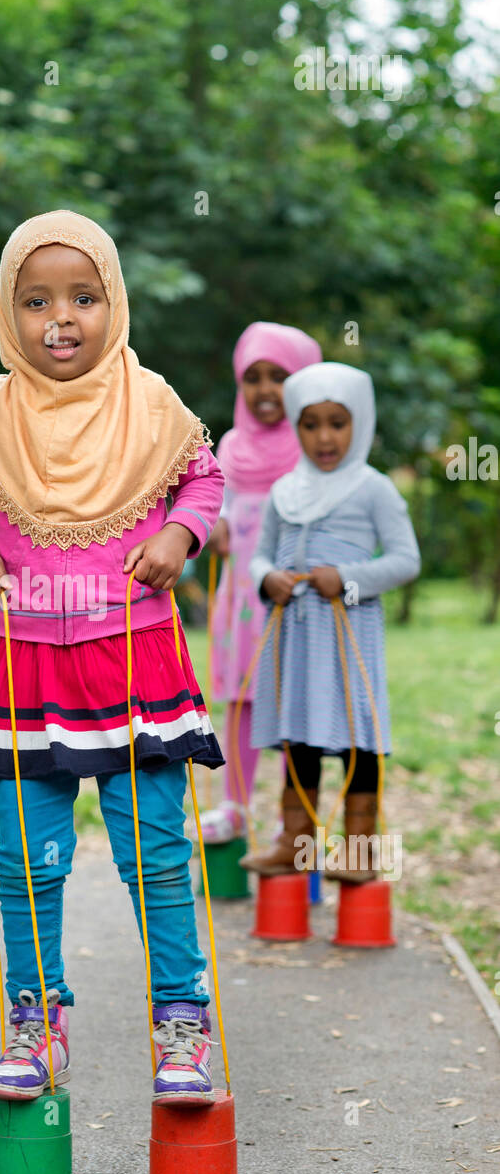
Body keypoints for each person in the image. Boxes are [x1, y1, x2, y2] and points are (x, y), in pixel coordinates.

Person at [0, 211, 226, 1105]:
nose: (62, 318)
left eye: (84, 298)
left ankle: (180, 1027)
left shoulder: (153, 401)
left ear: (114, 304)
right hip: (24, 669)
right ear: (8, 313)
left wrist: (179, 533)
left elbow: (203, 477)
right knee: (24, 862)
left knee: (156, 854)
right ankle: (34, 1023)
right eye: (37, 299)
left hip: (137, 662)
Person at [240, 362, 421, 880]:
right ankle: (296, 844)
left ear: (359, 422)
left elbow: (407, 560)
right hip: (294, 636)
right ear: (295, 426)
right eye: (310, 423)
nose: (324, 437)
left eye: (337, 423)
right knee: (299, 733)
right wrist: (267, 577)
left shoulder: (374, 488)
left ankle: (361, 849)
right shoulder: (284, 490)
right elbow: (260, 554)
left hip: (348, 634)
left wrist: (346, 576)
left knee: (356, 735)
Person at [201, 322, 321, 843]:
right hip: (241, 599)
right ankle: (235, 806)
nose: (266, 389)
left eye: (280, 376)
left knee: (295, 698)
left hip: (296, 597)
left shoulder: (315, 444)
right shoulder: (230, 444)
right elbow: (214, 504)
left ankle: (293, 814)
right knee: (241, 699)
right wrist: (215, 523)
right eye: (254, 377)